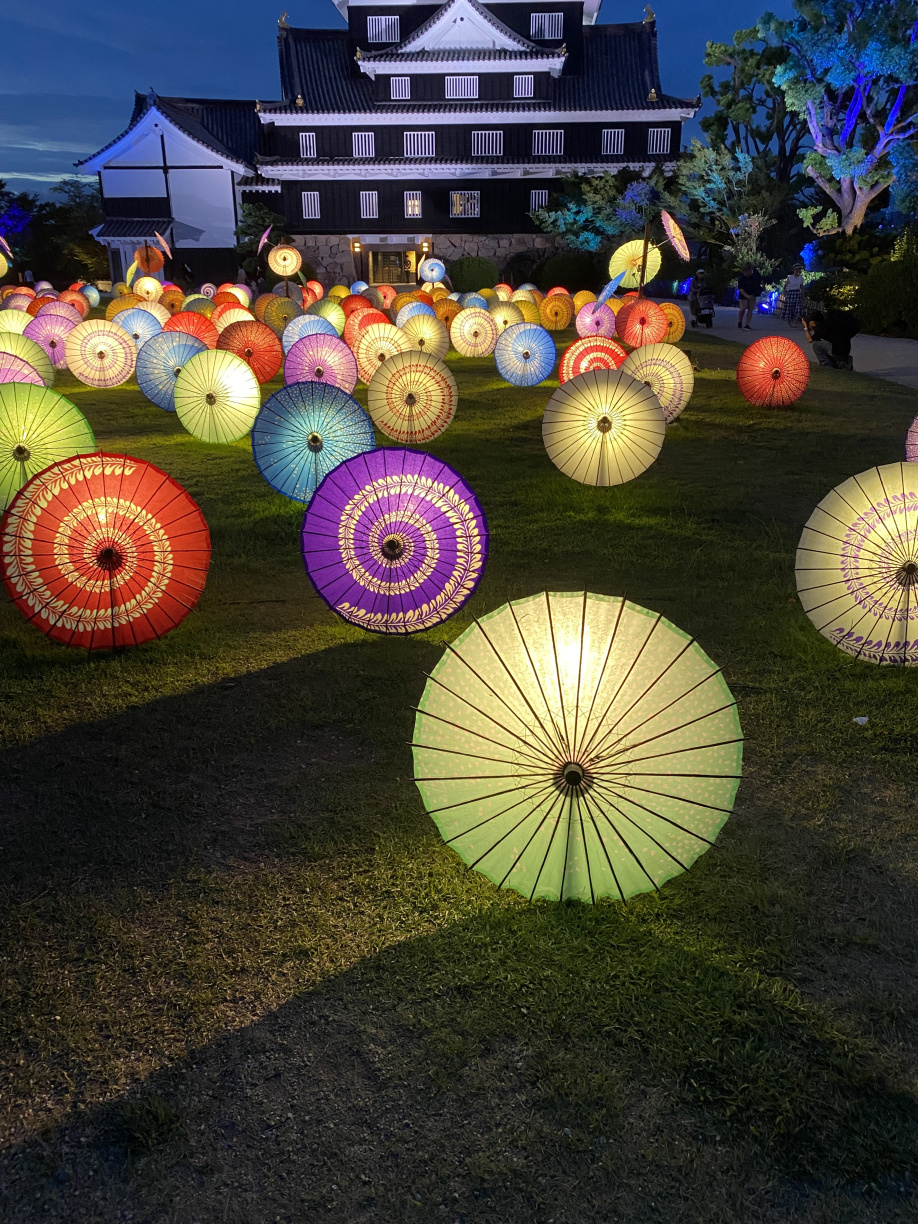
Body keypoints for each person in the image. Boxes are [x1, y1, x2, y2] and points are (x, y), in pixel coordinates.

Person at [737, 264, 763, 330]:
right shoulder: (741, 278)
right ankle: (740, 320)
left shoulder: (755, 274)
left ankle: (747, 324)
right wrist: (747, 296)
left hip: (753, 294)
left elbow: (760, 281)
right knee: (743, 308)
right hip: (744, 295)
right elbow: (741, 289)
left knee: (750, 309)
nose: (749, 274)